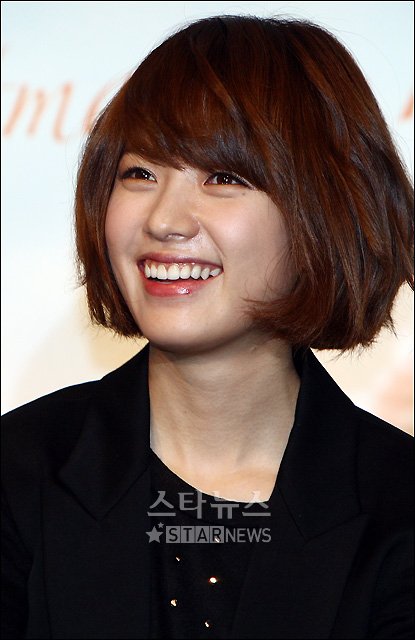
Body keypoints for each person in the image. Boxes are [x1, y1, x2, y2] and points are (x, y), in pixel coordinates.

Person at [1, 14, 413, 640]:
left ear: (325, 206)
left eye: (224, 177)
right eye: (140, 173)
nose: (164, 220)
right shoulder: (19, 472)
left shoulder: (398, 503)